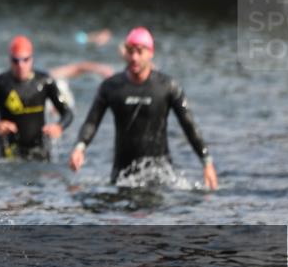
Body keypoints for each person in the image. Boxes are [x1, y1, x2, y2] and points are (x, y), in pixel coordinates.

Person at [69, 27, 218, 189]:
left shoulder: (167, 86)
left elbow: (189, 125)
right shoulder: (111, 87)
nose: (134, 57)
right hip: (123, 176)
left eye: (140, 52)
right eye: (130, 51)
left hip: (160, 175)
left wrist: (207, 162)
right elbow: (92, 122)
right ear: (125, 53)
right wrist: (79, 147)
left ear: (150, 53)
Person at [0, 35, 73, 161]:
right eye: (16, 61)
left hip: (40, 150)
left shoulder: (44, 82)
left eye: (25, 60)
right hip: (8, 153)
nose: (20, 65)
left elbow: (67, 113)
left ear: (32, 59)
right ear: (10, 60)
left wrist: (59, 127)